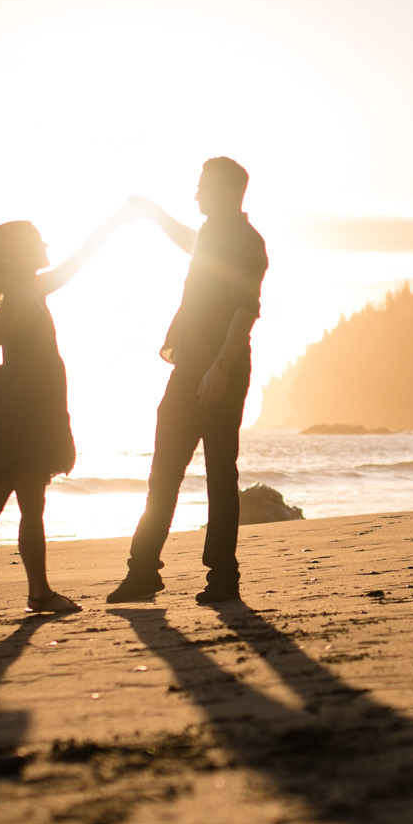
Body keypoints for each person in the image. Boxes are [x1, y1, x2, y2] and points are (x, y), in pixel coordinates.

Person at [0, 214, 124, 624]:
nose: (47, 248)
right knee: (28, 506)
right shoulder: (21, 298)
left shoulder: (35, 290)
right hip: (20, 415)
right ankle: (38, 593)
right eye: (38, 242)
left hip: (28, 411)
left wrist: (115, 223)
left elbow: (82, 258)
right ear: (23, 253)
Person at [107, 156, 267, 605]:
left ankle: (222, 578)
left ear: (227, 191)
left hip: (222, 372)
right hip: (189, 369)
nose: (196, 193)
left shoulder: (248, 243)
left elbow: (245, 308)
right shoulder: (213, 236)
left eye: (203, 187)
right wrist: (154, 212)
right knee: (164, 471)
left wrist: (221, 367)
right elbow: (188, 240)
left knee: (219, 474)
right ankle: (142, 573)